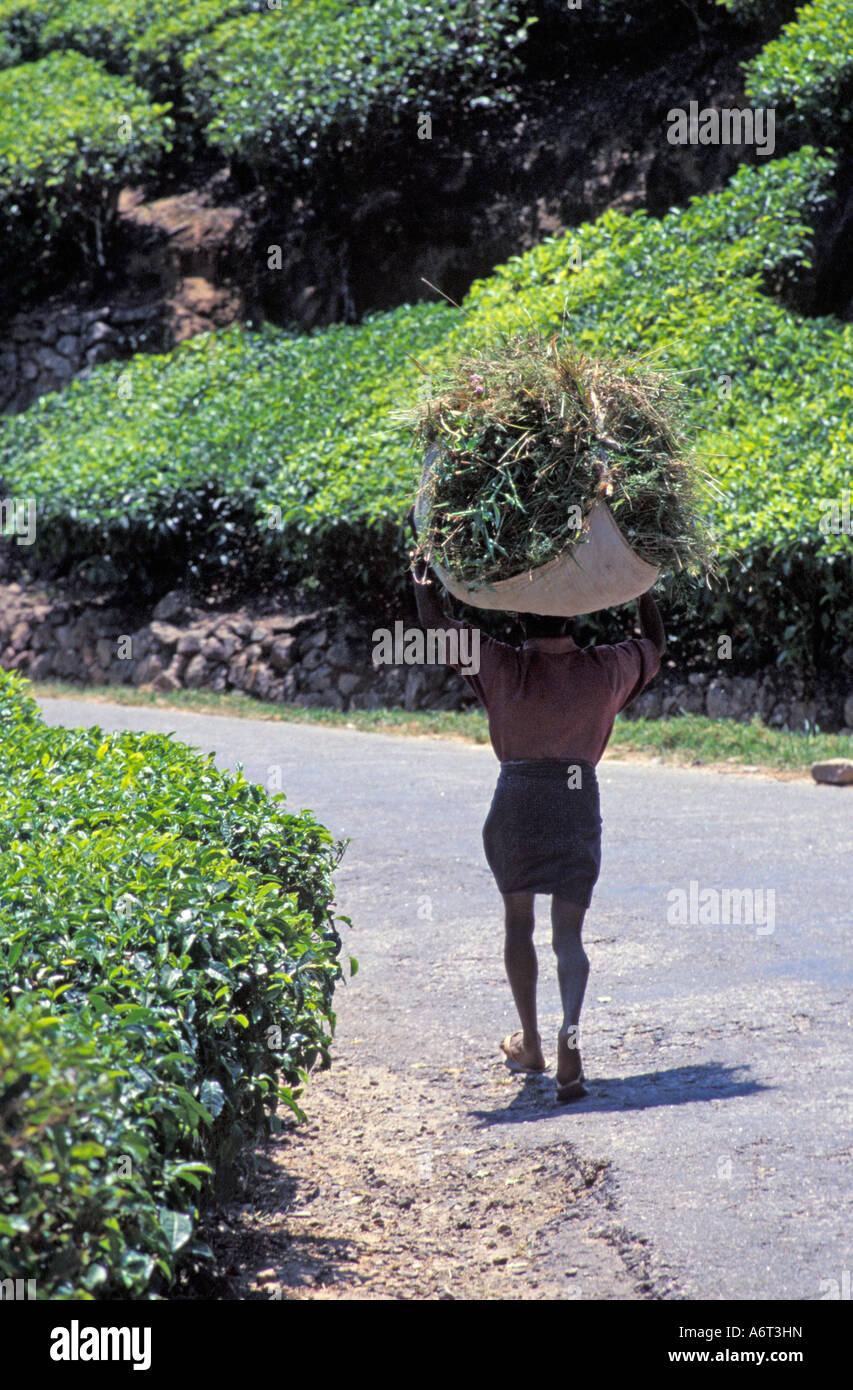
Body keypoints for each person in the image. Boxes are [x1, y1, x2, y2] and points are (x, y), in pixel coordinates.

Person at [407, 509, 666, 1102]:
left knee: (518, 924)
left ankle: (531, 1041)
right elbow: (655, 643)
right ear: (575, 615)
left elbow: (431, 620)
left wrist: (423, 555)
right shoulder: (606, 669)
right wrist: (644, 579)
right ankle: (570, 1036)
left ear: (516, 614)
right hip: (576, 801)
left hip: (517, 801)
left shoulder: (500, 663)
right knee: (568, 939)